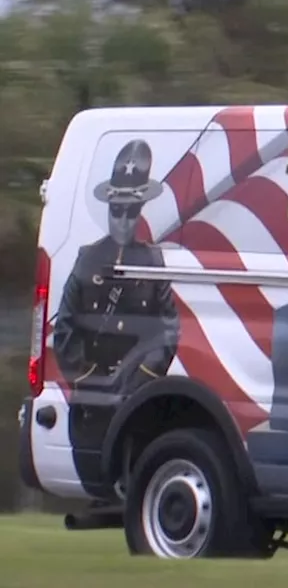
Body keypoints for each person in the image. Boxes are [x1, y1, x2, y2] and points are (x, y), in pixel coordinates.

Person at [50, 139, 180, 493]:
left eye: (132, 211)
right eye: (117, 210)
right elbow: (64, 329)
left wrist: (137, 380)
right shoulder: (87, 258)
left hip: (135, 397)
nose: (123, 220)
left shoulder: (152, 261)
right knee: (96, 482)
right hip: (91, 402)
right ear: (109, 209)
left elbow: (168, 330)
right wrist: (91, 377)